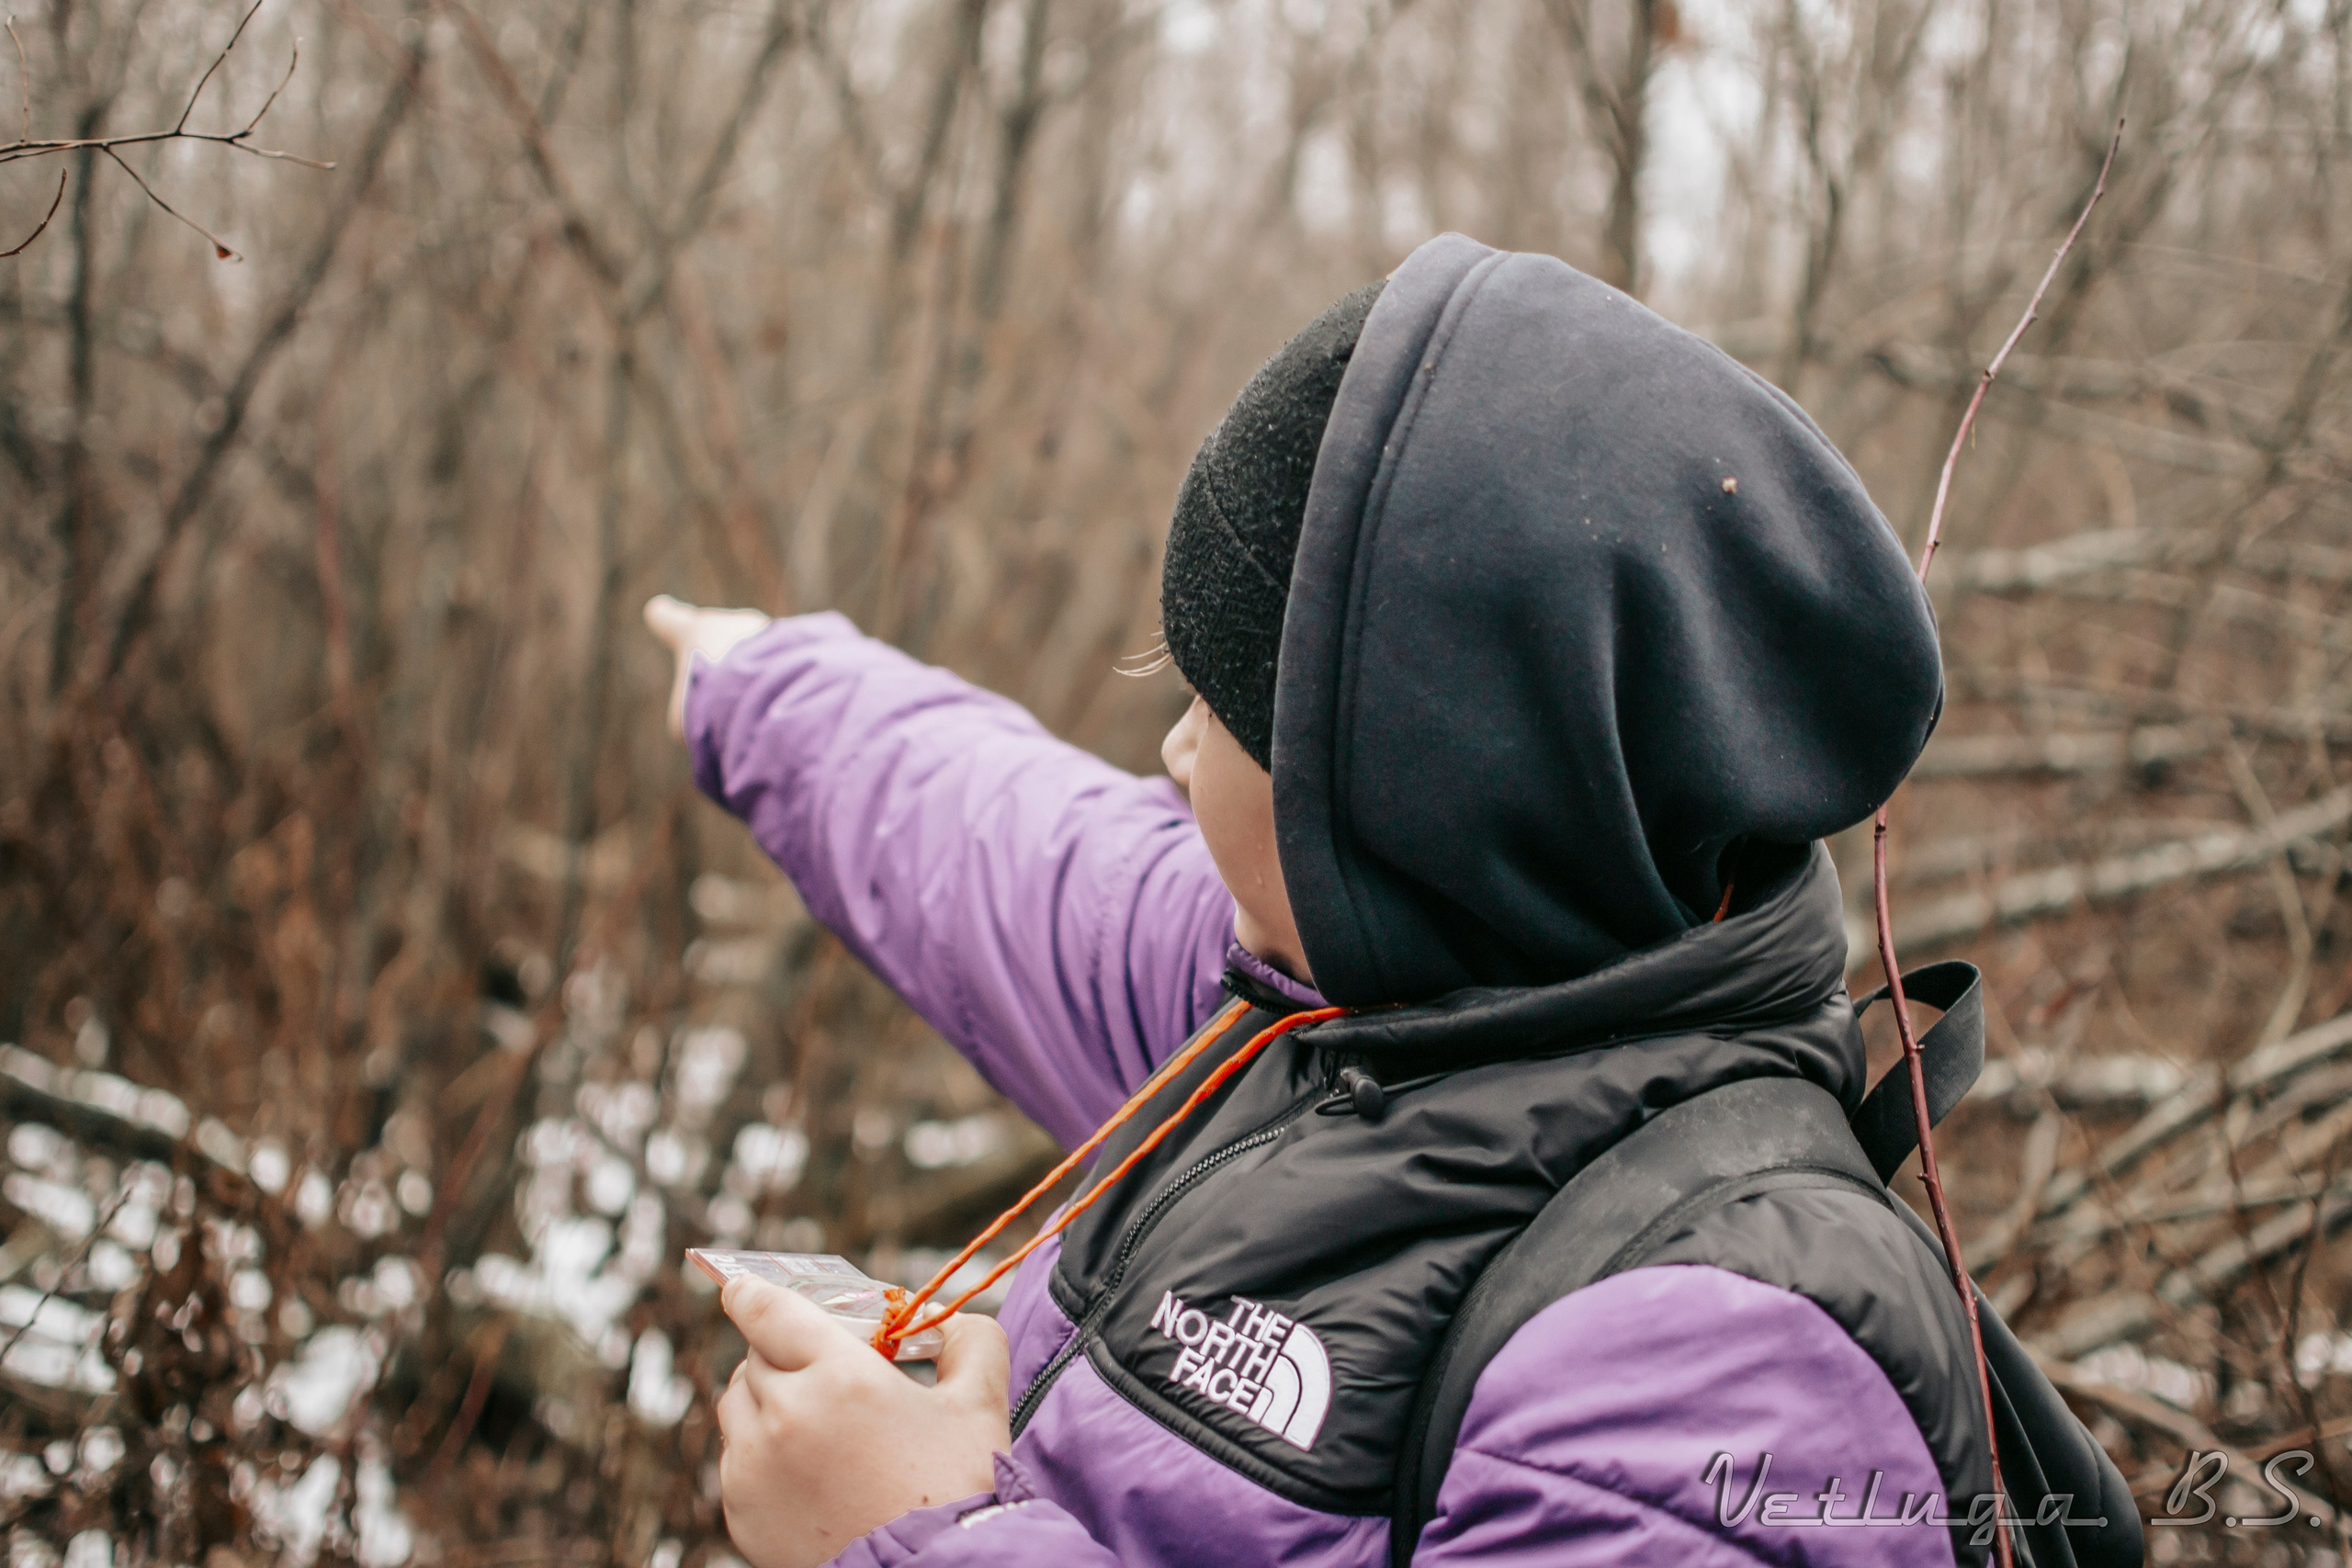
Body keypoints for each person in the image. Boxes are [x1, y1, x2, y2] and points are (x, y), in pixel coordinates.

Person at [650, 232, 1985, 1568]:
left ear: (1405, 794)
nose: (1175, 751)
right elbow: (1006, 851)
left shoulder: (1719, 1381)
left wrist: (913, 1535)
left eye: (1218, 702)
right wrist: (757, 683)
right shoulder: (1320, 1008)